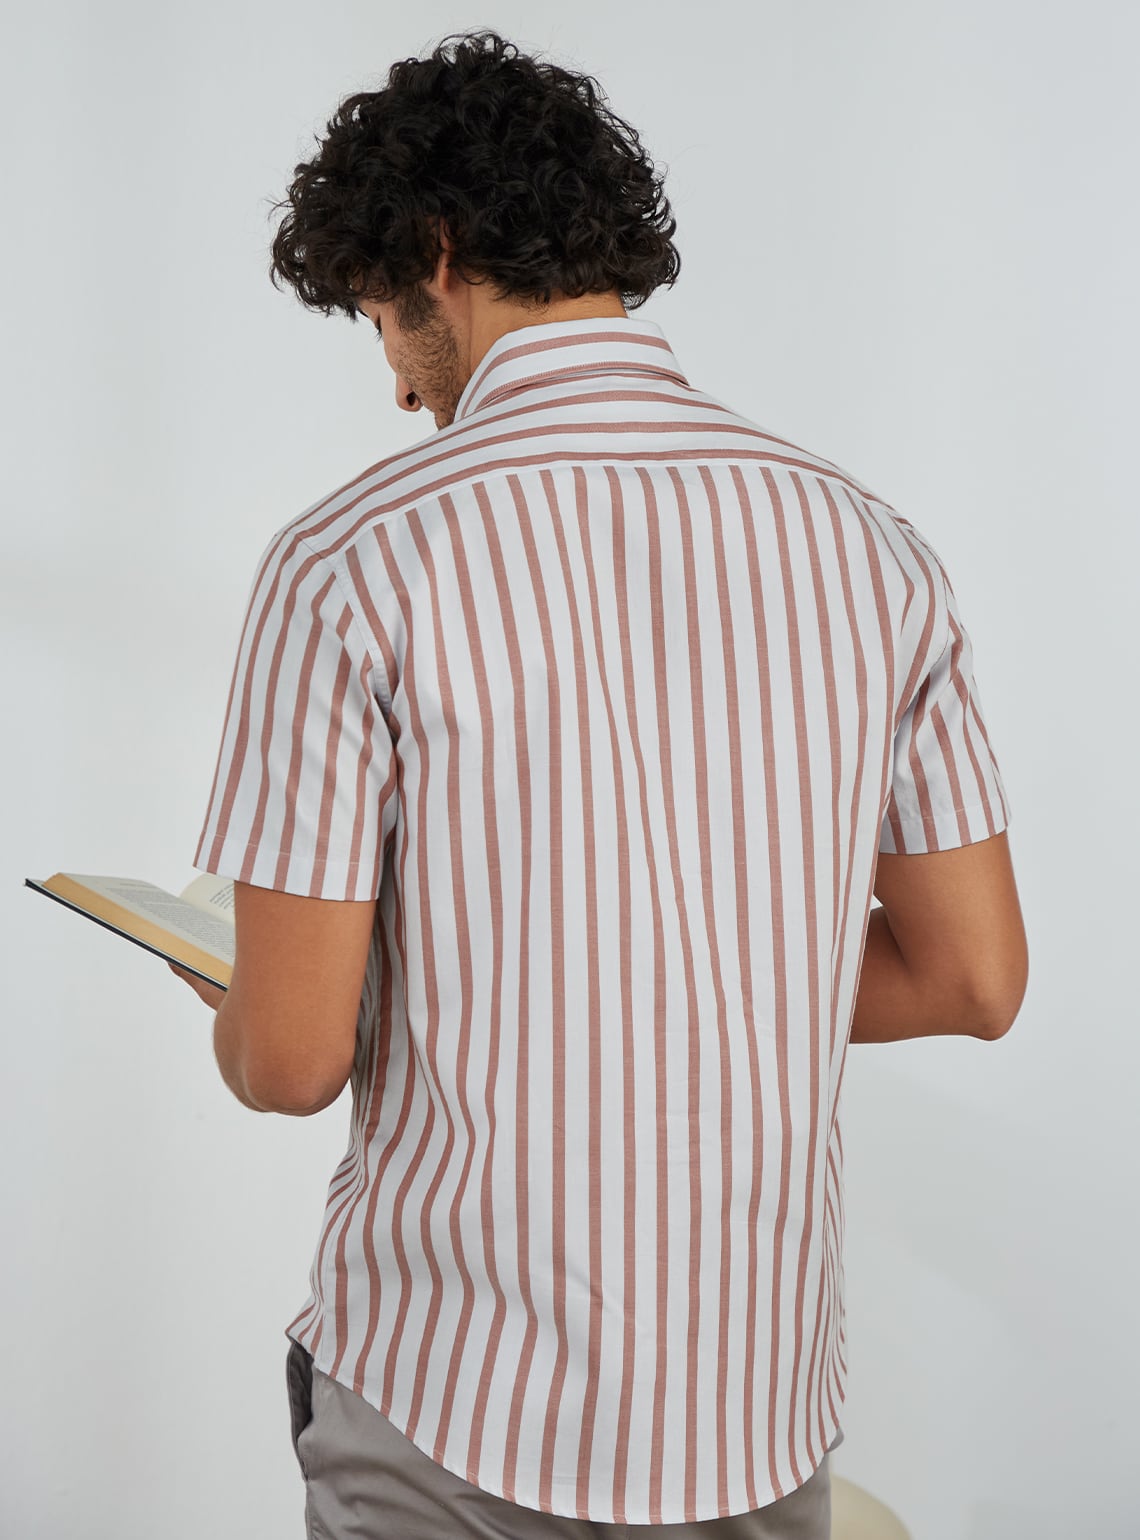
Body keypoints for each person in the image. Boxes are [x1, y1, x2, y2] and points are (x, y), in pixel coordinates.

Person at [172, 27, 1028, 1540]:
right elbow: (974, 975)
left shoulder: (352, 560)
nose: (398, 387)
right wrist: (697, 971)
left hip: (454, 1399)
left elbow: (292, 1060)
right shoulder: (872, 546)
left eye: (381, 321)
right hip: (754, 1410)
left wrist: (243, 997)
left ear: (437, 254)